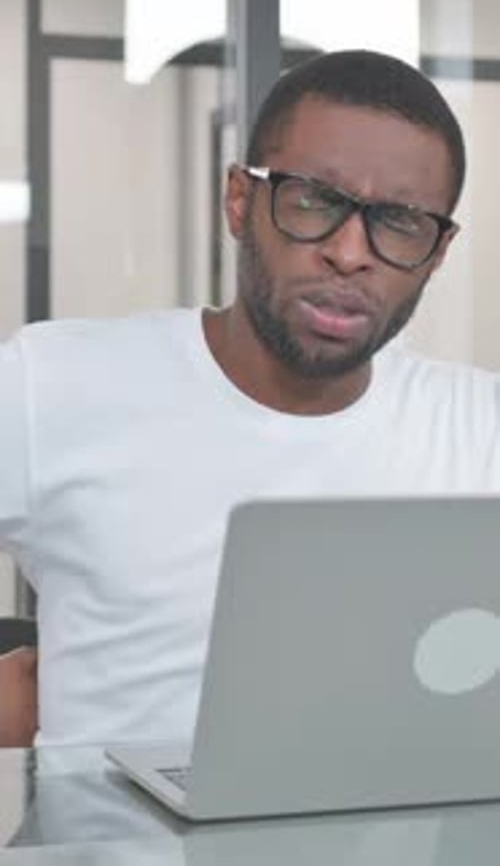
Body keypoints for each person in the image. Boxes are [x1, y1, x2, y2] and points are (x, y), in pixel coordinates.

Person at [1, 49, 499, 752]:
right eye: (314, 200)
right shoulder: (52, 384)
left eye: (400, 222)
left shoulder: (481, 430)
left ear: (439, 251)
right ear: (241, 201)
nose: (350, 252)